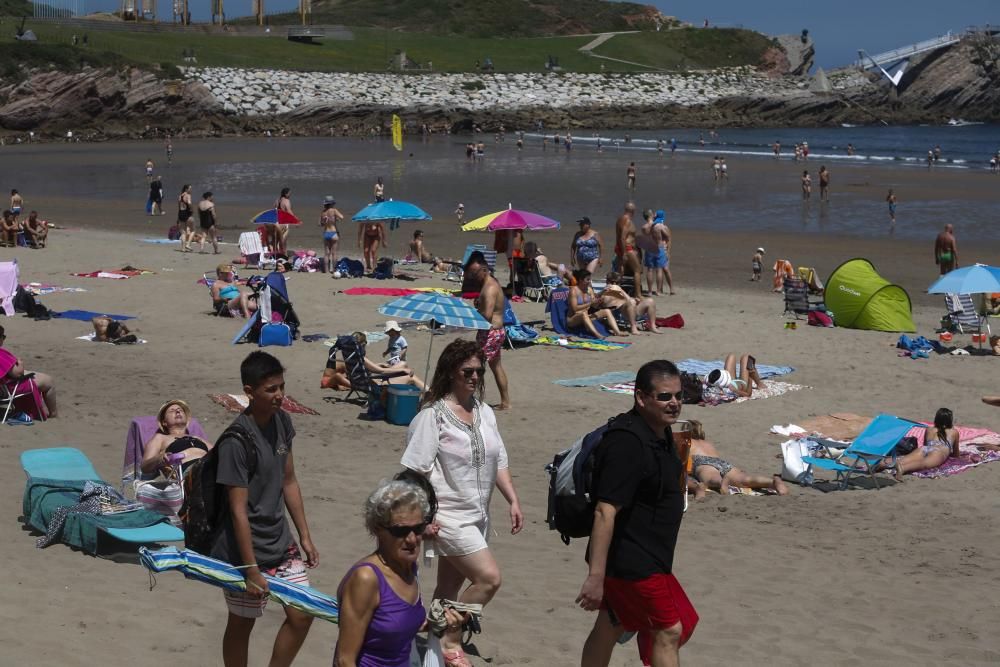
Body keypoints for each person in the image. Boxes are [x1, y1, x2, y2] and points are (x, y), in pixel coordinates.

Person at [401, 339, 523, 667]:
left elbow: (499, 460)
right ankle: (451, 641)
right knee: (488, 579)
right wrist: (422, 519)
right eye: (467, 371)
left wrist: (511, 499)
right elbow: (414, 472)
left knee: (448, 586)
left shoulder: (484, 412)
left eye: (479, 372)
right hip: (448, 516)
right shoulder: (434, 416)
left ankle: (432, 653)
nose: (474, 377)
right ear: (451, 372)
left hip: (478, 516)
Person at [576, 360, 698, 667]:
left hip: (650, 556)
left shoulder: (660, 432)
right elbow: (605, 512)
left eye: (678, 396)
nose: (674, 404)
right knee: (669, 630)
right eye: (665, 397)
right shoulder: (626, 443)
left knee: (610, 624)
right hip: (633, 562)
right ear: (641, 397)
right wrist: (595, 577)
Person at [210, 351, 318, 667]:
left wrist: (305, 536)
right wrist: (251, 570)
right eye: (270, 389)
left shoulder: (283, 421)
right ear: (249, 391)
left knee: (302, 615)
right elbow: (237, 511)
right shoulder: (236, 441)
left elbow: (289, 481)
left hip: (280, 542)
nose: (279, 395)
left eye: (281, 387)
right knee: (243, 622)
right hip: (244, 551)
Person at [334, 478, 463, 667]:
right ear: (378, 530)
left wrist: (440, 624)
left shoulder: (408, 568)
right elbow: (344, 660)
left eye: (418, 529)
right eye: (400, 531)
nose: (412, 540)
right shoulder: (367, 579)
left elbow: (392, 627)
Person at [686, 420, 788, 496]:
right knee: (745, 479)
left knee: (711, 478)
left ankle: (721, 482)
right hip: (721, 462)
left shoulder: (687, 441)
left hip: (702, 461)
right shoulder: (707, 443)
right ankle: (772, 482)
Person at [465, 254, 510, 409]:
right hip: (496, 331)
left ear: (484, 270)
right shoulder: (489, 284)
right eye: (471, 273)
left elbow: (487, 315)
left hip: (490, 332)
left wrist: (472, 312)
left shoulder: (490, 287)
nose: (473, 277)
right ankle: (505, 402)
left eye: (475, 273)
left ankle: (468, 400)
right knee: (496, 366)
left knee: (476, 366)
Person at [880, 408, 959, 480]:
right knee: (923, 463)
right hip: (938, 452)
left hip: (924, 449)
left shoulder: (929, 429)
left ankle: (880, 464)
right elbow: (955, 454)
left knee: (903, 459)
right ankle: (903, 468)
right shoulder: (954, 432)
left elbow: (925, 444)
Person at [139, 399, 212, 476]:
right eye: (172, 411)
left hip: (210, 467)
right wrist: (159, 458)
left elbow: (218, 451)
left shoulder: (197, 438)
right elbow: (145, 467)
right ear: (164, 422)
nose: (178, 412)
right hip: (188, 473)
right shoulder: (160, 438)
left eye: (180, 410)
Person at [0, 324, 58, 420]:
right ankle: (53, 413)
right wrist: (20, 363)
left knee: (33, 375)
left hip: (3, 387)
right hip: (8, 389)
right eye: (3, 336)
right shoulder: (1, 354)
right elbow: (18, 373)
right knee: (48, 381)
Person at [567, 269, 626, 338]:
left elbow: (593, 302)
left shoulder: (589, 289)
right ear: (581, 280)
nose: (590, 282)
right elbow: (575, 308)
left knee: (607, 311)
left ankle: (617, 332)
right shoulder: (574, 291)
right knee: (583, 313)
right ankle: (597, 334)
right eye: (587, 280)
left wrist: (598, 301)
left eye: (590, 279)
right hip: (573, 319)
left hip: (587, 316)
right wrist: (590, 303)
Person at [638, 209, 670, 296]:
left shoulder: (644, 227)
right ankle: (658, 291)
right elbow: (667, 236)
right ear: (651, 215)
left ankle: (649, 291)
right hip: (659, 247)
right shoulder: (658, 225)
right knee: (659, 269)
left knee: (649, 270)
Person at [614, 202, 643, 297]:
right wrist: (625, 253)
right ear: (633, 211)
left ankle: (617, 290)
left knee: (620, 270)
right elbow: (623, 237)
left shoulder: (620, 219)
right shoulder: (627, 221)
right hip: (627, 247)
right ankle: (638, 294)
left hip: (620, 246)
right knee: (637, 270)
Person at [319, 196, 343, 275]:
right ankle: (335, 270)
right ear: (332, 203)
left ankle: (326, 270)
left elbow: (321, 224)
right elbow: (342, 217)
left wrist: (327, 221)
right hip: (333, 232)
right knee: (334, 253)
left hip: (326, 233)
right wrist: (335, 218)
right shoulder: (334, 210)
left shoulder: (323, 212)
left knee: (326, 253)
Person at [274, 187, 294, 256]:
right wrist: (295, 220)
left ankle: (276, 254)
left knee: (277, 240)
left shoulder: (278, 200)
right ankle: (284, 255)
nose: (290, 195)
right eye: (289, 193)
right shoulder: (286, 201)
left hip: (277, 222)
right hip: (284, 223)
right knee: (284, 241)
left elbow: (274, 209)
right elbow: (289, 211)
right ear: (285, 194)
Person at [177, 185, 195, 252]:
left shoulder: (180, 196)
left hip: (181, 213)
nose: (191, 190)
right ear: (186, 189)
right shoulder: (188, 195)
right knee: (193, 230)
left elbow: (179, 206)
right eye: (190, 188)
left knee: (183, 233)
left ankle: (183, 248)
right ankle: (188, 244)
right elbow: (189, 203)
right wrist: (192, 209)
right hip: (187, 213)